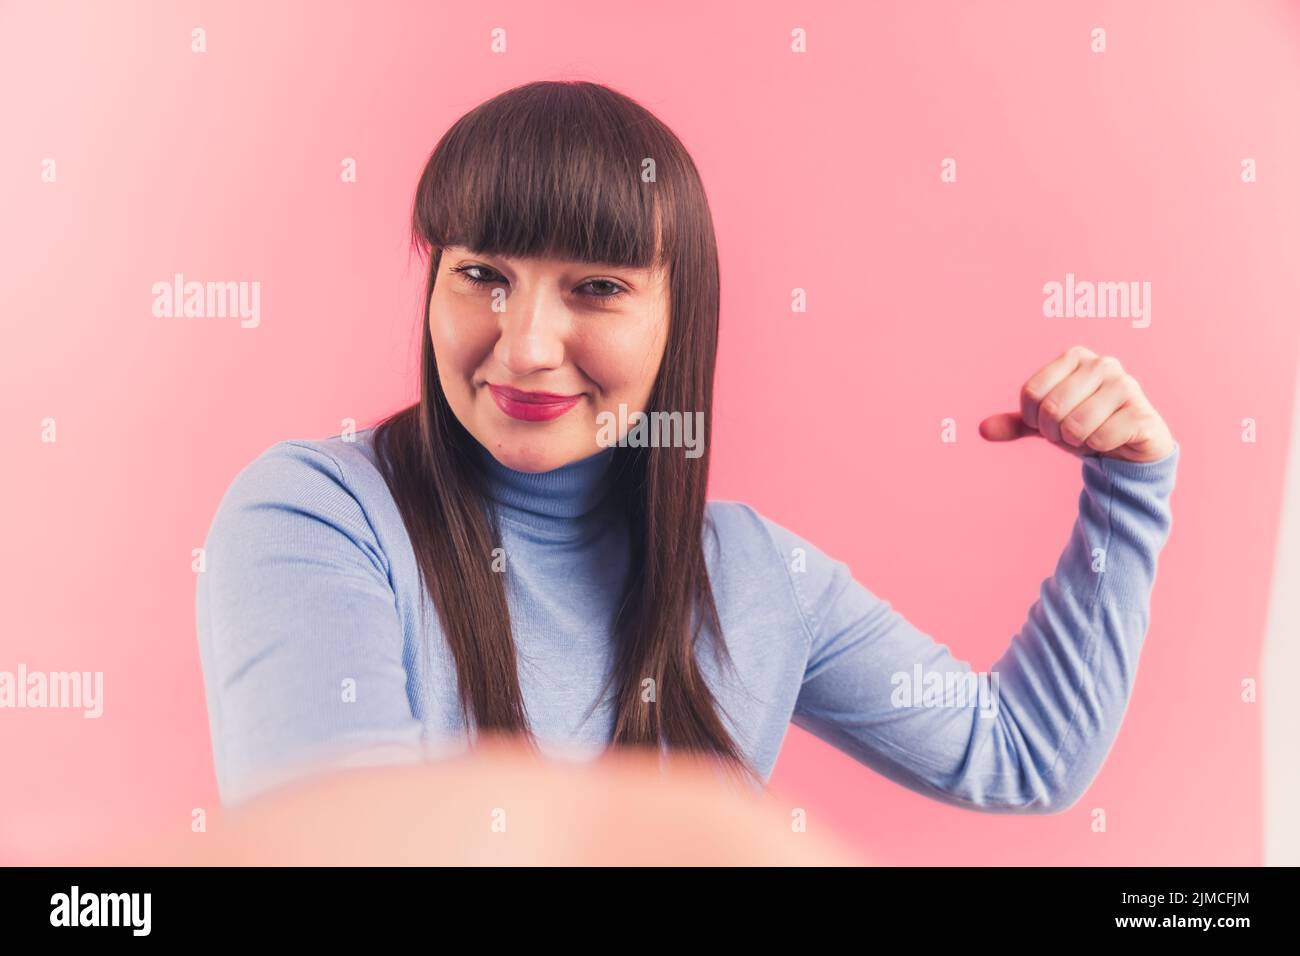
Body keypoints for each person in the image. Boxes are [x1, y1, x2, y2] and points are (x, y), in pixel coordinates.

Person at [195, 80, 1179, 818]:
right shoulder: (319, 516)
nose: (527, 344)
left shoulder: (755, 577)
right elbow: (338, 844)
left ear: (680, 319)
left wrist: (1127, 489)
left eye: (597, 287)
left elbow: (1024, 752)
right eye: (483, 273)